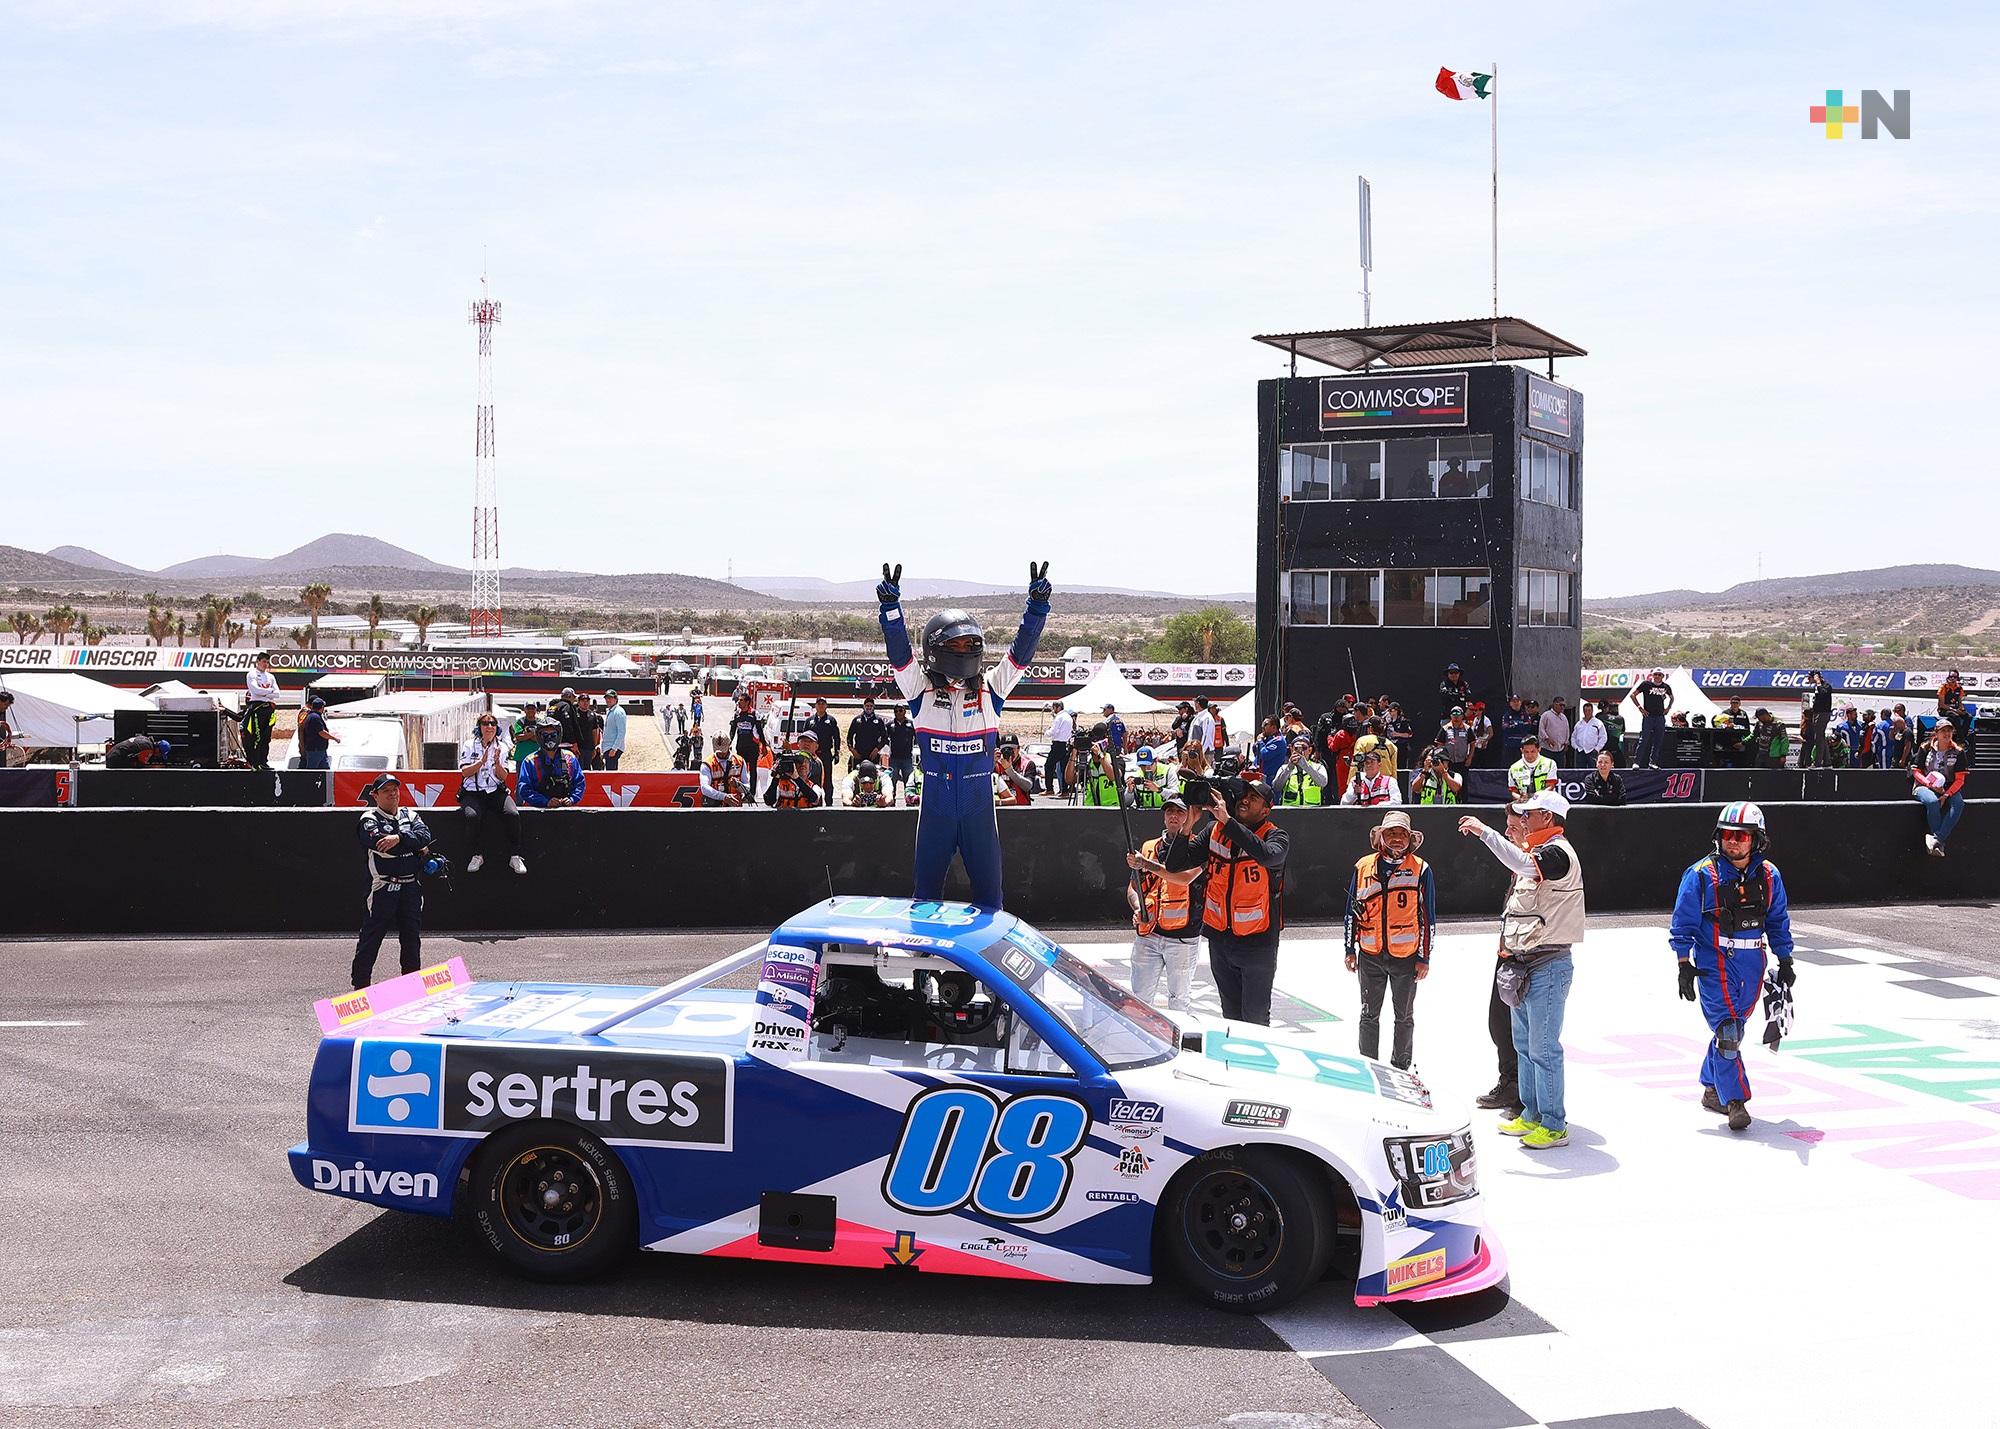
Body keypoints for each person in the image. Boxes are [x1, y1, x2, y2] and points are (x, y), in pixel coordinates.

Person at [877, 561, 1051, 909]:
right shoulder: (919, 690)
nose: (964, 651)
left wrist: (1037, 608)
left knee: (991, 899)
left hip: (979, 807)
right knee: (925, 897)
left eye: (970, 644)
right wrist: (890, 610)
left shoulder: (992, 689)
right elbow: (899, 655)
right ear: (936, 650)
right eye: (956, 646)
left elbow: (1021, 654)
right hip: (936, 808)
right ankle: (922, 962)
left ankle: (988, 963)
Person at [1459, 791, 1585, 1150]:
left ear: (1548, 816)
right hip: (1524, 963)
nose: (1523, 819)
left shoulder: (1558, 853)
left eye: (1529, 814)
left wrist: (1486, 833)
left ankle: (1554, 1124)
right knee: (1525, 1046)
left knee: (1543, 1048)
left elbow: (1524, 865)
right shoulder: (1539, 852)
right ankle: (1531, 1114)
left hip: (1548, 964)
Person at [1671, 803, 1794, 1132]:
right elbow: (1682, 924)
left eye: (1741, 836)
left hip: (1753, 964)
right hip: (1714, 962)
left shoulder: (1770, 875)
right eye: (1727, 835)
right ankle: (1735, 1101)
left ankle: (1712, 1088)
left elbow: (1778, 921)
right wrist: (1684, 964)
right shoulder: (1700, 874)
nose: (1733, 842)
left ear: (1756, 839)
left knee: (1734, 1027)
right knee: (1728, 1033)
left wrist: (1785, 960)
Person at [1344, 809, 1436, 1070]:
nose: (1396, 838)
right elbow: (1351, 910)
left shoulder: (1421, 869)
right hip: (1370, 954)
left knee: (1404, 1016)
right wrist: (1349, 948)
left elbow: (1428, 918)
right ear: (1381, 837)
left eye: (1401, 834)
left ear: (1410, 839)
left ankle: (1401, 1067)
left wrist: (1424, 957)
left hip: (1406, 957)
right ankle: (1368, 1066)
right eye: (1391, 833)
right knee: (1368, 1015)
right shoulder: (1363, 866)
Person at [1200, 777, 1289, 1025]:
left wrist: (1227, 822)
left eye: (1254, 798)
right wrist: (1188, 825)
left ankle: (1257, 1064)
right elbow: (1177, 865)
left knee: (1255, 1019)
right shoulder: (1216, 830)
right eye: (1244, 795)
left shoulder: (1277, 836)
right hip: (1220, 940)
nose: (1245, 800)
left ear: (1266, 810)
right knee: (1230, 1017)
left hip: (1257, 944)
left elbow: (1267, 856)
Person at [1125, 793, 1209, 1014]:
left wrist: (1146, 864)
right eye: (1169, 811)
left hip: (1182, 939)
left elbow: (1182, 877)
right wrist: (1138, 909)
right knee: (1139, 997)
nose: (1174, 816)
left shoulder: (1200, 846)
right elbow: (1134, 888)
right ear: (1163, 817)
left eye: (1180, 812)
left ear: (1189, 817)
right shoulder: (1149, 846)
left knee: (1179, 1000)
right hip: (1149, 934)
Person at [352, 774, 434, 989]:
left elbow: (425, 837)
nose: (392, 793)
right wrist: (415, 846)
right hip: (383, 887)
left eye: (395, 789)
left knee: (411, 940)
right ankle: (360, 988)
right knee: (371, 938)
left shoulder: (410, 814)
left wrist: (398, 838)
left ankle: (412, 986)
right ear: (375, 795)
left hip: (411, 887)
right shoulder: (369, 818)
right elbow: (381, 846)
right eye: (386, 790)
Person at [457, 713, 525, 875]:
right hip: (473, 792)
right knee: (472, 817)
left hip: (495, 791)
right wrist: (481, 762)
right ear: (479, 727)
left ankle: (515, 855)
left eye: (493, 724)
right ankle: (476, 854)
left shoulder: (502, 747)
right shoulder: (469, 745)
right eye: (485, 724)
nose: (489, 727)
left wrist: (496, 764)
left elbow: (504, 777)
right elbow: (465, 772)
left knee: (513, 814)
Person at [1913, 720, 1969, 857]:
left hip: (1948, 787)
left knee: (1958, 804)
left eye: (1949, 731)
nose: (1947, 734)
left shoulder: (1958, 752)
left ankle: (1937, 839)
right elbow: (1916, 771)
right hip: (1924, 785)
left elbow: (1960, 779)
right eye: (1943, 731)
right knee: (1932, 802)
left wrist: (1946, 794)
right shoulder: (1925, 747)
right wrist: (1929, 784)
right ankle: (1938, 844)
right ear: (1936, 733)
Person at [516, 720, 585, 809]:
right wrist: (545, 802)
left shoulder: (570, 758)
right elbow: (524, 789)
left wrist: (571, 799)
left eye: (553, 735)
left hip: (566, 812)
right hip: (539, 812)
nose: (549, 738)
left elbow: (579, 783)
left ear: (559, 736)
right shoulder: (530, 761)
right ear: (538, 736)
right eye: (545, 735)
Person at [243, 651, 280, 771]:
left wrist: (266, 693)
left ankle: (264, 762)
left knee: (266, 737)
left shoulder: (270, 676)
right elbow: (255, 690)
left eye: (267, 662)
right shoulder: (252, 674)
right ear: (258, 662)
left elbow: (278, 693)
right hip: (257, 708)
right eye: (264, 661)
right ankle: (255, 762)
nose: (266, 664)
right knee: (257, 737)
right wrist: (269, 692)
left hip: (269, 708)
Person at [728, 691, 767, 801]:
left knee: (753, 770)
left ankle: (752, 794)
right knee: (741, 771)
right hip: (741, 747)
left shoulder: (754, 714)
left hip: (752, 747)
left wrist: (763, 746)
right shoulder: (737, 714)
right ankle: (742, 792)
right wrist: (729, 743)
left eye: (741, 700)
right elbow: (732, 731)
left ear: (747, 702)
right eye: (738, 700)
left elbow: (760, 731)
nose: (739, 702)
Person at [1631, 668, 1674, 768]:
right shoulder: (1646, 684)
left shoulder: (1666, 687)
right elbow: (1633, 695)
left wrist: (1668, 708)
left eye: (1659, 675)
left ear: (1663, 676)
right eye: (1655, 674)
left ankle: (1653, 762)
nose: (1657, 676)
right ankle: (1636, 762)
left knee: (1658, 741)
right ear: (1652, 675)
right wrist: (1640, 708)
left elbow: (1672, 697)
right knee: (1644, 739)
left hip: (1660, 717)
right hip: (1648, 716)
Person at [806, 698, 843, 805]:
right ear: (815, 706)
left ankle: (829, 803)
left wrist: (837, 753)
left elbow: (837, 737)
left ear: (826, 706)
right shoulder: (810, 721)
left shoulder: (831, 720)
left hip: (826, 754)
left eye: (823, 704)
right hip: (812, 755)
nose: (821, 706)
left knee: (827, 780)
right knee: (812, 778)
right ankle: (813, 801)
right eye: (819, 703)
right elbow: (804, 737)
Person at [1271, 736, 1328, 806]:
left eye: (1304, 748)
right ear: (1291, 749)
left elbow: (1323, 783)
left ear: (1310, 750)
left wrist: (1306, 766)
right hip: (1290, 811)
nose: (1301, 751)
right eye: (1296, 748)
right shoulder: (1284, 768)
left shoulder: (1318, 767)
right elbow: (1276, 787)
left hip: (1312, 810)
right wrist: (1289, 767)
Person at [1508, 734, 1558, 801]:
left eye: (1532, 751)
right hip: (1524, 804)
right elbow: (1513, 791)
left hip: (1545, 803)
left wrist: (1535, 799)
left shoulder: (1550, 764)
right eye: (1526, 752)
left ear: (1539, 749)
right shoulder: (1513, 768)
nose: (1530, 755)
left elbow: (1550, 786)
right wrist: (1521, 798)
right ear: (1521, 750)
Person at [1077, 730, 1121, 806]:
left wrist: (1100, 755)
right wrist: (1074, 752)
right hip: (1091, 809)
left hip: (1111, 808)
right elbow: (1070, 780)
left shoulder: (1114, 759)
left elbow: (1113, 777)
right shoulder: (1088, 763)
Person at [1800, 670, 1833, 769]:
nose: (1808, 680)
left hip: (1823, 714)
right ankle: (1827, 762)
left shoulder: (1826, 686)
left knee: (1818, 738)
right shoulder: (1817, 687)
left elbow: (1823, 693)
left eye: (1810, 677)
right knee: (1821, 737)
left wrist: (1818, 682)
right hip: (1817, 713)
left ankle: (1818, 763)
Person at [700, 735, 746, 807]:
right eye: (718, 750)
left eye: (723, 749)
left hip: (735, 807)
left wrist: (739, 785)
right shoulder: (707, 763)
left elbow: (748, 786)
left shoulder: (740, 761)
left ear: (729, 744)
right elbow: (704, 788)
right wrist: (724, 797)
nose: (721, 753)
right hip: (715, 807)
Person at [849, 695, 890, 774]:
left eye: (871, 706)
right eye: (867, 705)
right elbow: (849, 737)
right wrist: (853, 751)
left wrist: (877, 749)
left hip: (873, 755)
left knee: (873, 777)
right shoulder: (857, 720)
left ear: (874, 707)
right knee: (858, 776)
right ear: (864, 706)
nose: (869, 707)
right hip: (859, 754)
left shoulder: (879, 720)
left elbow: (885, 738)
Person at [296, 695, 338, 770]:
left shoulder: (312, 715)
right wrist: (334, 738)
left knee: (325, 769)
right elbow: (320, 732)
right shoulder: (312, 716)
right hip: (314, 748)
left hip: (320, 749)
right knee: (310, 770)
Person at [885, 702, 917, 802]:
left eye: (900, 710)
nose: (898, 713)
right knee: (892, 781)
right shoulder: (890, 725)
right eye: (896, 711)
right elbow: (885, 739)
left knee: (909, 782)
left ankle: (909, 801)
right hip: (894, 758)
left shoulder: (911, 724)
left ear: (905, 711)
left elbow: (916, 738)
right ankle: (891, 801)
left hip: (907, 758)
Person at [1043, 703, 1074, 798]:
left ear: (1058, 707)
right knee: (1064, 767)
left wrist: (1046, 733)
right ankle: (1065, 790)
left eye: (1054, 708)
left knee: (1048, 765)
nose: (1053, 709)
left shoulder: (1059, 717)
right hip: (1066, 744)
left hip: (1058, 744)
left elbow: (1054, 731)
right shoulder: (1068, 717)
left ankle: (1049, 789)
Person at [1436, 709, 1472, 783]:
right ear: (1450, 716)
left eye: (1458, 716)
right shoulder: (1445, 728)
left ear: (1462, 716)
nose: (1456, 718)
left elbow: (1473, 743)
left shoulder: (1467, 729)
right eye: (1454, 716)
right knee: (1448, 783)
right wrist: (1441, 760)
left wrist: (1470, 758)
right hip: (1448, 763)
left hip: (1462, 762)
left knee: (1463, 784)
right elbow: (1439, 745)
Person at [1714, 697, 1751, 769]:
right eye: (1733, 703)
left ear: (1739, 704)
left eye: (1736, 703)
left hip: (1739, 741)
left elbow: (1747, 729)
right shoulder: (1725, 713)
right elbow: (1719, 726)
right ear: (1730, 703)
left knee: (1739, 760)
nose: (1734, 704)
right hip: (1727, 740)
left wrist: (1743, 742)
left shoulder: (1743, 714)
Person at [1538, 697, 1573, 769]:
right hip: (1547, 749)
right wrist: (1547, 739)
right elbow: (1541, 729)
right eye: (1561, 705)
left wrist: (1566, 743)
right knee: (1546, 769)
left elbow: (1567, 730)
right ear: (1554, 704)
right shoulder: (1546, 715)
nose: (1562, 707)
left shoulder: (1564, 717)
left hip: (1560, 749)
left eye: (1564, 705)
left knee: (1560, 769)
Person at [1570, 700, 1607, 768]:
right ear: (1583, 711)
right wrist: (1576, 747)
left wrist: (1597, 749)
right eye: (1586, 710)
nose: (1587, 712)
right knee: (1580, 771)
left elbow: (1603, 737)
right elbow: (1573, 737)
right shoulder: (1579, 724)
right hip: (1580, 751)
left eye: (1589, 710)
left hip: (1592, 751)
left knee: (1592, 771)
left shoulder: (1598, 723)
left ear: (1592, 711)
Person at [1500, 695, 1534, 768]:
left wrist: (1514, 725)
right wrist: (1519, 725)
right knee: (1508, 767)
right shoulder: (1506, 715)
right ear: (1510, 703)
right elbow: (1506, 729)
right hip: (1509, 746)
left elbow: (1527, 728)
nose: (1516, 703)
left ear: (1520, 702)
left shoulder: (1525, 715)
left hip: (1521, 747)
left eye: (1517, 701)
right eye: (1513, 701)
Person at [1254, 717, 1289, 786]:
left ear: (1273, 727)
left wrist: (1260, 741)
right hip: (1259, 776)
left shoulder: (1278, 741)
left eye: (1266, 724)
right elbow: (1256, 751)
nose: (1263, 727)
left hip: (1270, 779)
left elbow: (1264, 755)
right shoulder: (1268, 739)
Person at [599, 690, 628, 772]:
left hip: (612, 747)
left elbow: (621, 732)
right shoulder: (611, 711)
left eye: (610, 698)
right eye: (606, 698)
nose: (608, 700)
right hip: (608, 747)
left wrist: (614, 748)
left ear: (615, 699)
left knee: (611, 774)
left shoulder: (618, 712)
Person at [105, 733, 171, 768]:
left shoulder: (145, 739)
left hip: (110, 755)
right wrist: (155, 767)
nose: (158, 755)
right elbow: (141, 766)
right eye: (160, 753)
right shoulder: (149, 748)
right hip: (115, 759)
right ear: (158, 749)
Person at [511, 702, 544, 769]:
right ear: (524, 710)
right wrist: (534, 734)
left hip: (537, 757)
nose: (531, 710)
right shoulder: (520, 722)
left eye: (533, 708)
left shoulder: (541, 722)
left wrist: (526, 735)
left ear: (536, 710)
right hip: (521, 757)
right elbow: (518, 737)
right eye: (528, 708)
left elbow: (541, 738)